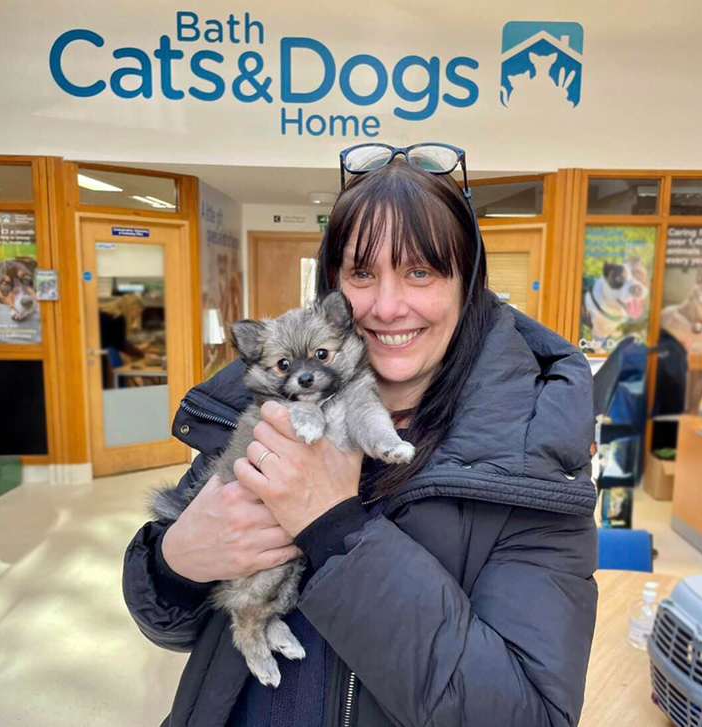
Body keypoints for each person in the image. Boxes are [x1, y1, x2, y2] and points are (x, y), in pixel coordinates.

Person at [123, 143, 598, 727]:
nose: (387, 305)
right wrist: (175, 563)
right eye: (362, 272)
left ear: (467, 282)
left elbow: (527, 716)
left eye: (420, 271)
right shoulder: (263, 404)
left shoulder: (534, 463)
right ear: (333, 289)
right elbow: (169, 622)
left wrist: (337, 529)